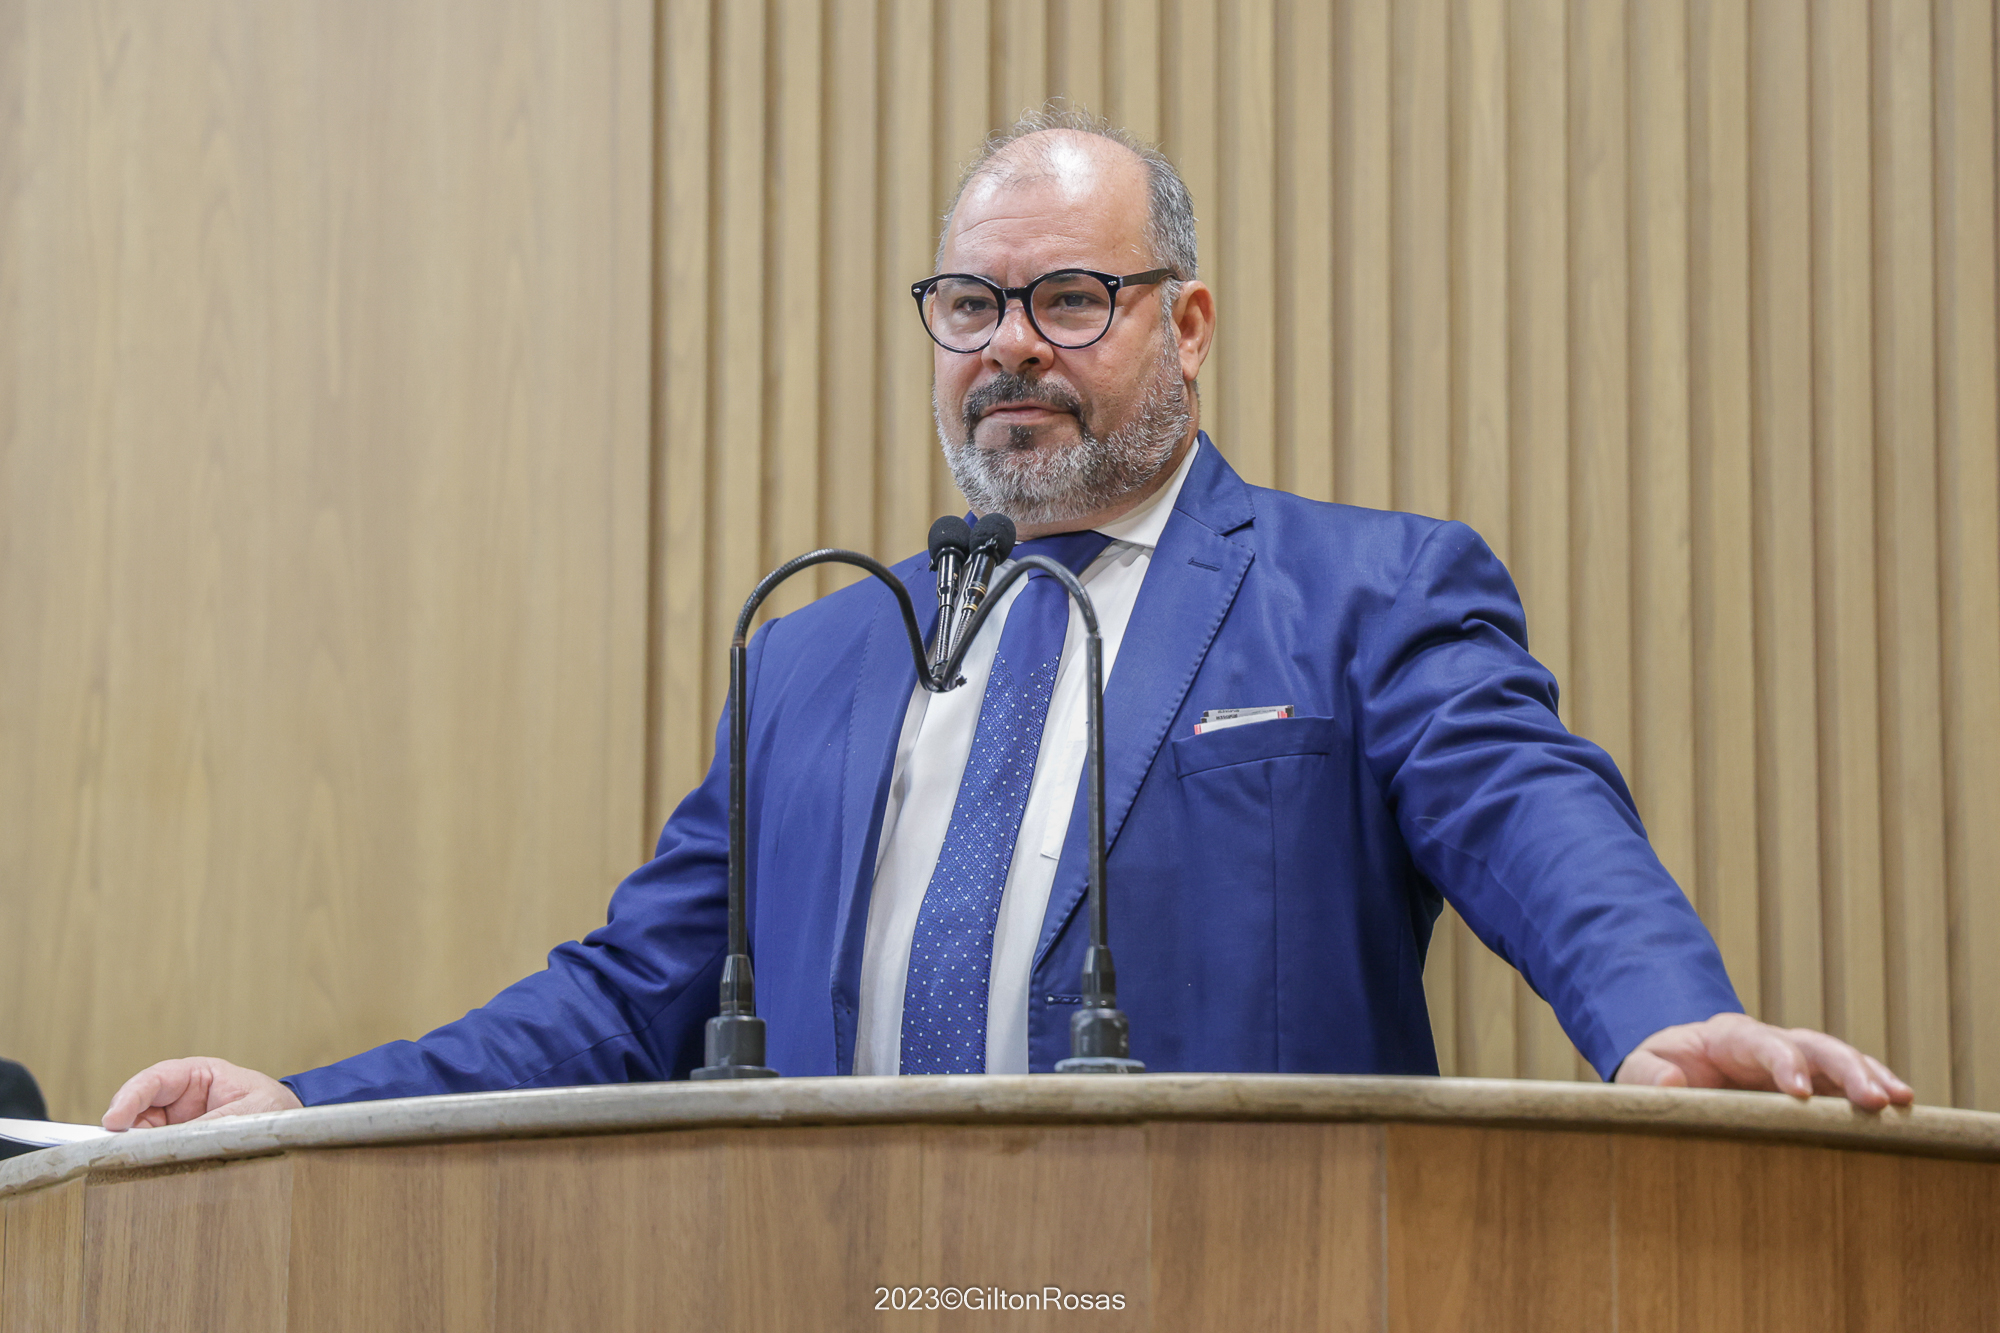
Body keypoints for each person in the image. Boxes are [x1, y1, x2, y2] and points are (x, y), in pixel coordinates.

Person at [104, 111, 1910, 1132]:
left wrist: (1663, 1019)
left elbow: (1531, 813)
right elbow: (631, 993)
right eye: (970, 305)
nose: (1010, 348)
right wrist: (303, 1104)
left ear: (1186, 325)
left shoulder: (1365, 594)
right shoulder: (814, 657)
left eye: (1070, 297)